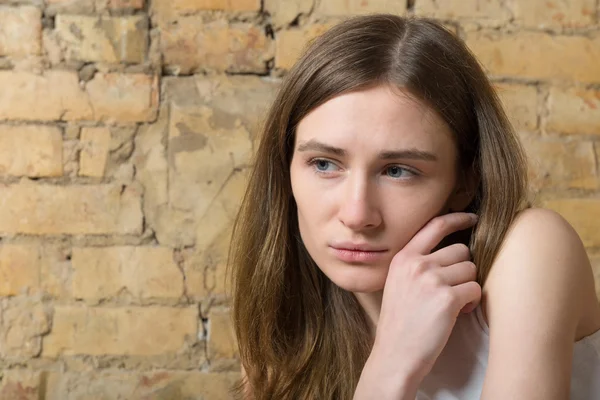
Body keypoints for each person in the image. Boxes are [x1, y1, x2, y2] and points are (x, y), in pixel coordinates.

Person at [227, 14, 600, 399]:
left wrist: (387, 372)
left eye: (398, 171)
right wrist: (391, 362)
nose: (356, 214)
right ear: (285, 167)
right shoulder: (286, 318)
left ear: (465, 179)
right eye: (324, 164)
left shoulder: (529, 250)